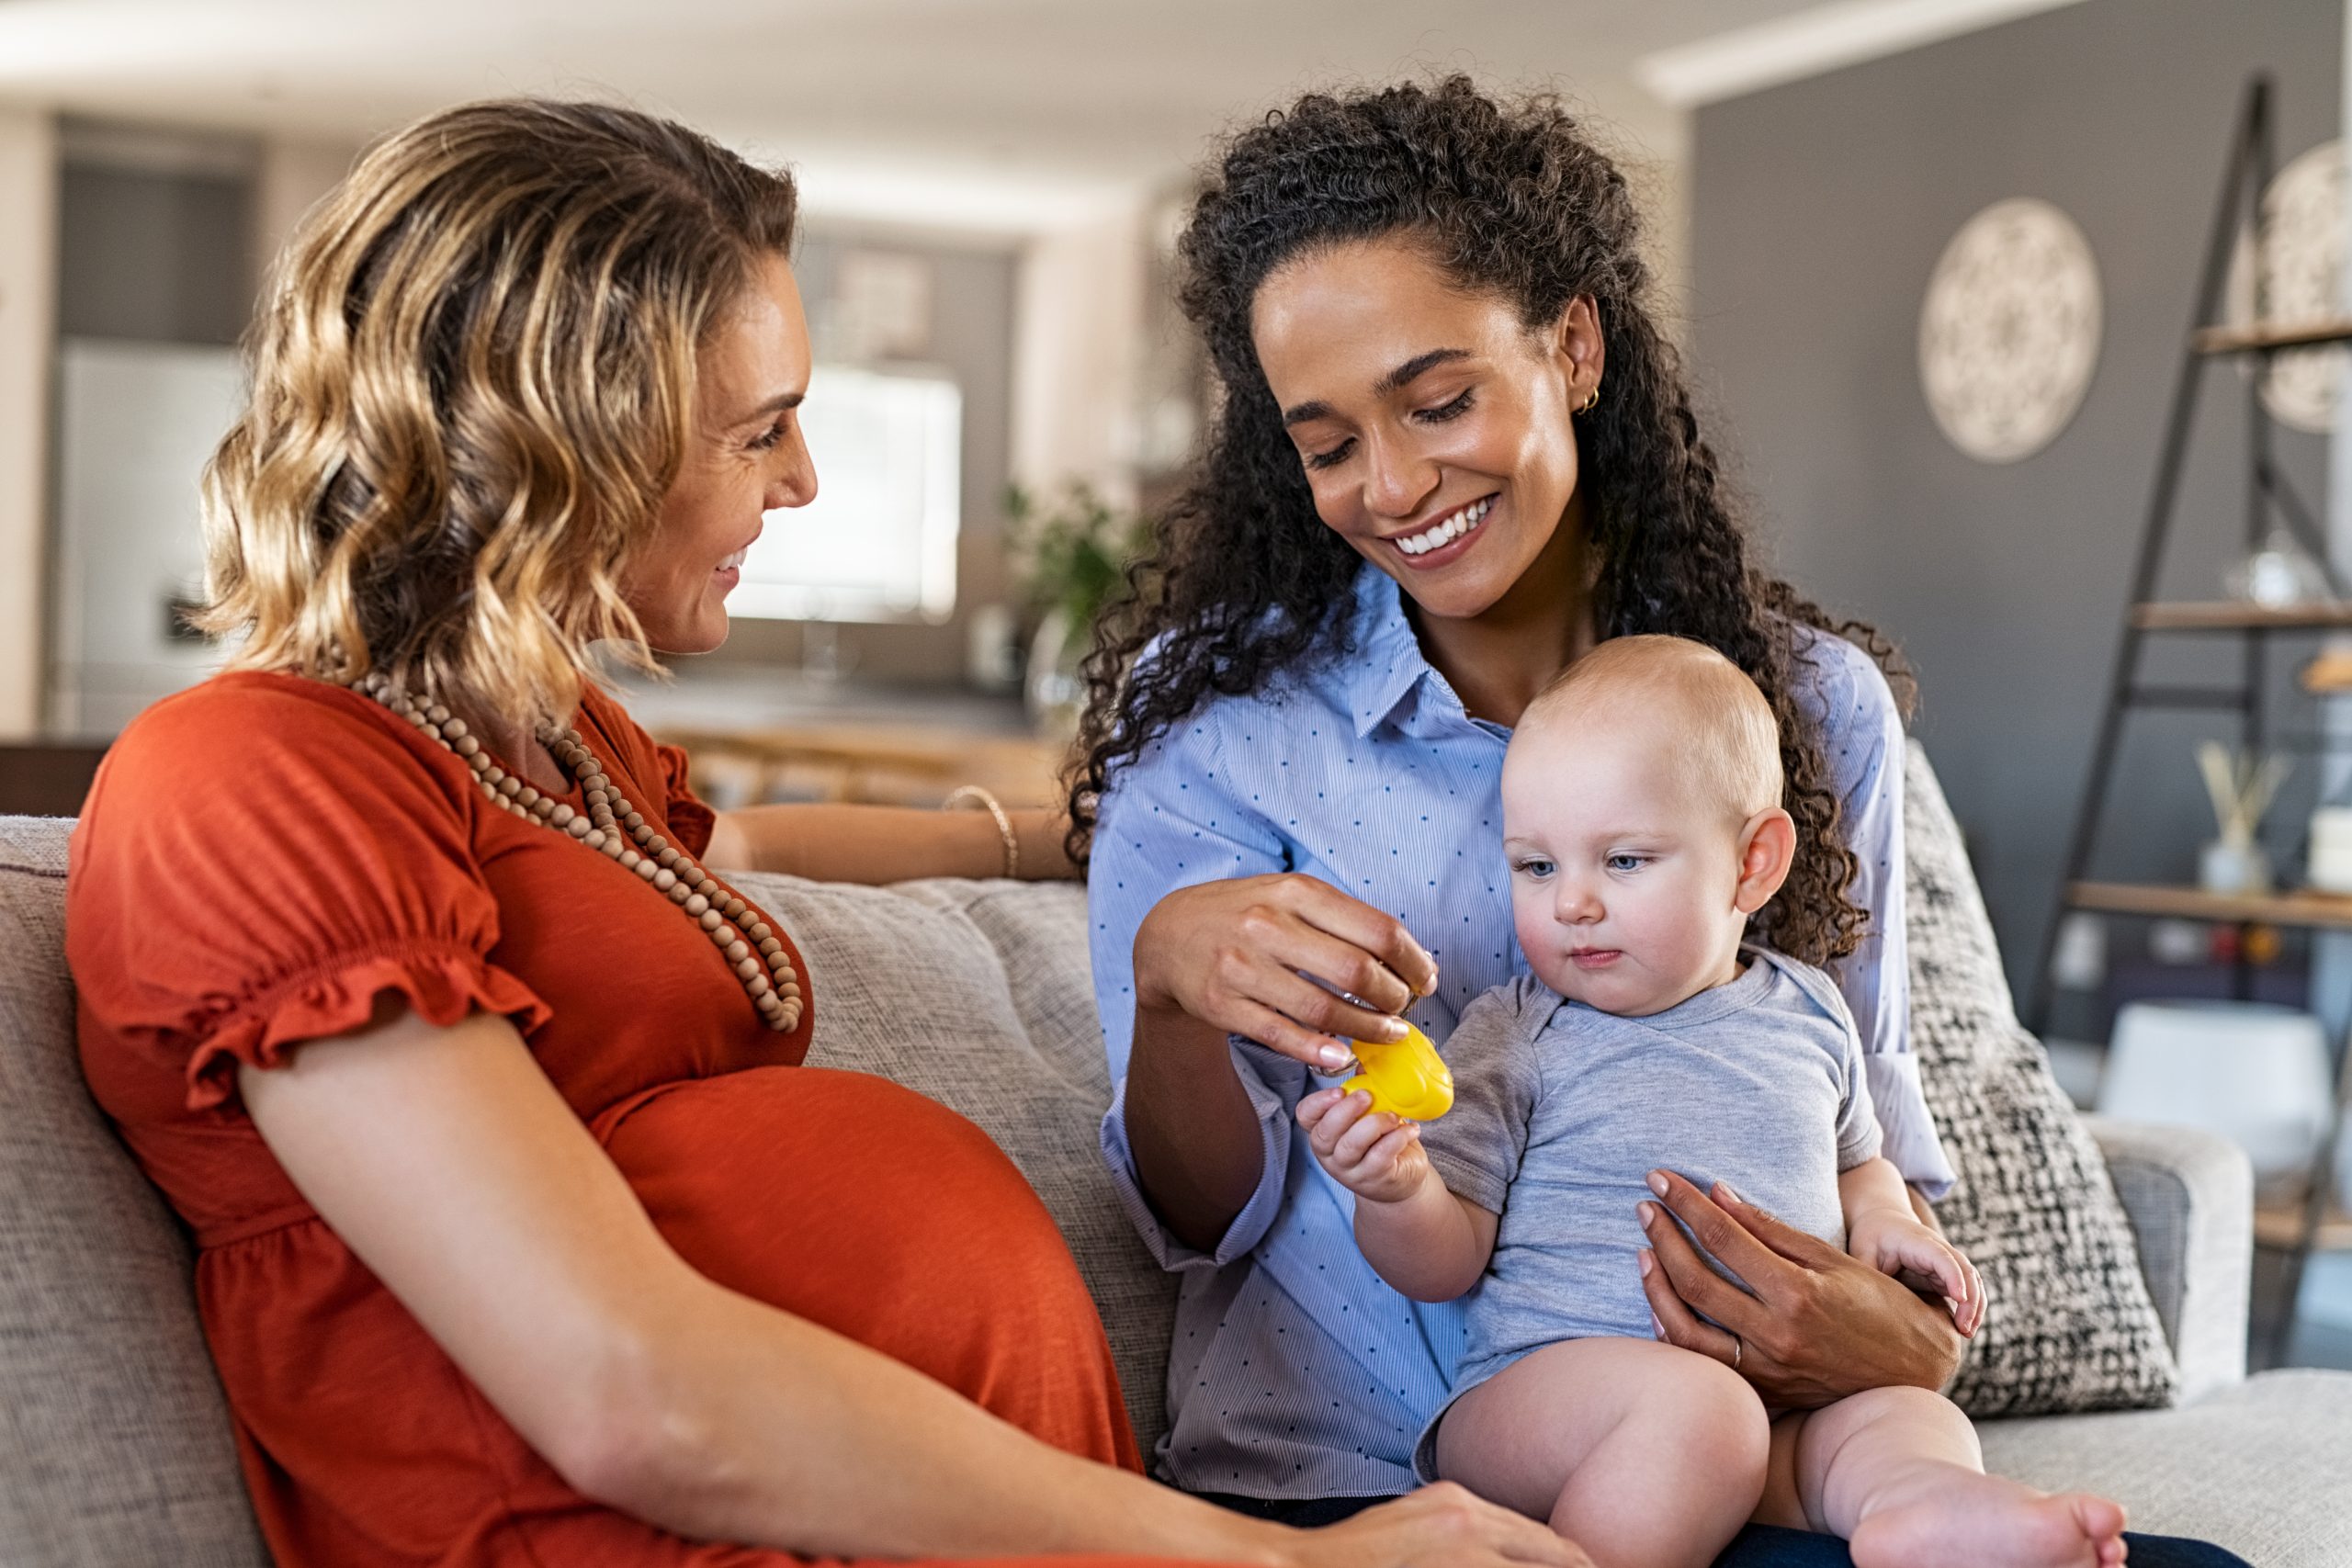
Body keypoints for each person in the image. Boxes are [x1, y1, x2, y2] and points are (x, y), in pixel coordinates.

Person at [65, 97, 1586, 1568]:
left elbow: (722, 857)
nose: (801, 480)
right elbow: (626, 1389)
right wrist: (1274, 1558)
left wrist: (1057, 832)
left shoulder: (546, 749)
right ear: (567, 436)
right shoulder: (248, 777)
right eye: (761, 429)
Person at [1076, 78, 2246, 1568]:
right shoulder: (1228, 729)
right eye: (1326, 443)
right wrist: (1178, 979)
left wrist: (1891, 1333)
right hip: (1350, 1476)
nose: (1394, 482)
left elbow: (1863, 1131)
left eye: (1439, 401)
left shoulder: (1805, 710)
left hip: (1748, 1449)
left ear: (1572, 344)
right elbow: (1195, 1218)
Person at [1301, 635, 2127, 1568]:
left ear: (1754, 863)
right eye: (1536, 867)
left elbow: (1860, 1159)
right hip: (1539, 1405)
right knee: (1704, 1413)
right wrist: (1395, 1188)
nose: (1570, 903)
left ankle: (1922, 1513)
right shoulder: (1519, 1031)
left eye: (1621, 861)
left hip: (1770, 1411)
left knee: (1903, 1414)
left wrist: (1891, 1220)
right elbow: (1445, 1261)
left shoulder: (1809, 1010)